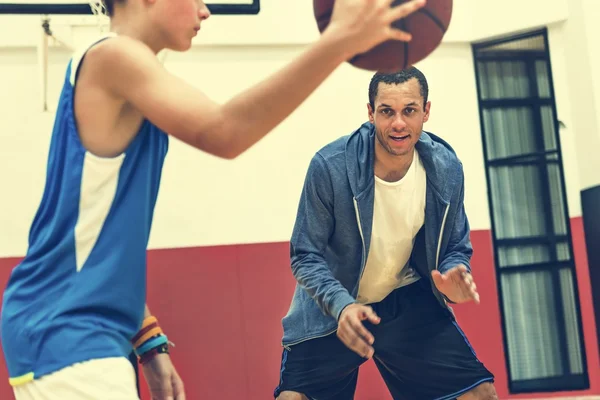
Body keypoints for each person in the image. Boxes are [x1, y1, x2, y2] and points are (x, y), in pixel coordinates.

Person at [0, 0, 428, 399]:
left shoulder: (117, 68)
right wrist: (339, 41)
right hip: (64, 326)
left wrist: (146, 337)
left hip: (76, 322)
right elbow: (225, 131)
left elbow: (99, 235)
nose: (206, 9)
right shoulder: (114, 56)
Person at [275, 67, 498, 400]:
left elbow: (455, 245)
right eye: (386, 111)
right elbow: (306, 255)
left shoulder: (446, 167)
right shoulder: (331, 166)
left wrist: (455, 273)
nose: (398, 123)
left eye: (409, 110)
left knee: (479, 394)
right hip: (336, 307)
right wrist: (342, 306)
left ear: (426, 111)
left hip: (404, 296)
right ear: (370, 113)